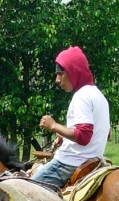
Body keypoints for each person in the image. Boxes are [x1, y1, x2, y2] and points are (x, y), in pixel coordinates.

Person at [36, 46, 111, 189]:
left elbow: (83, 136)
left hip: (68, 164)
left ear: (73, 71)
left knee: (24, 191)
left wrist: (53, 126)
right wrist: (65, 135)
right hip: (93, 162)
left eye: (60, 74)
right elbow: (105, 134)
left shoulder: (81, 96)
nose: (57, 80)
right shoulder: (99, 96)